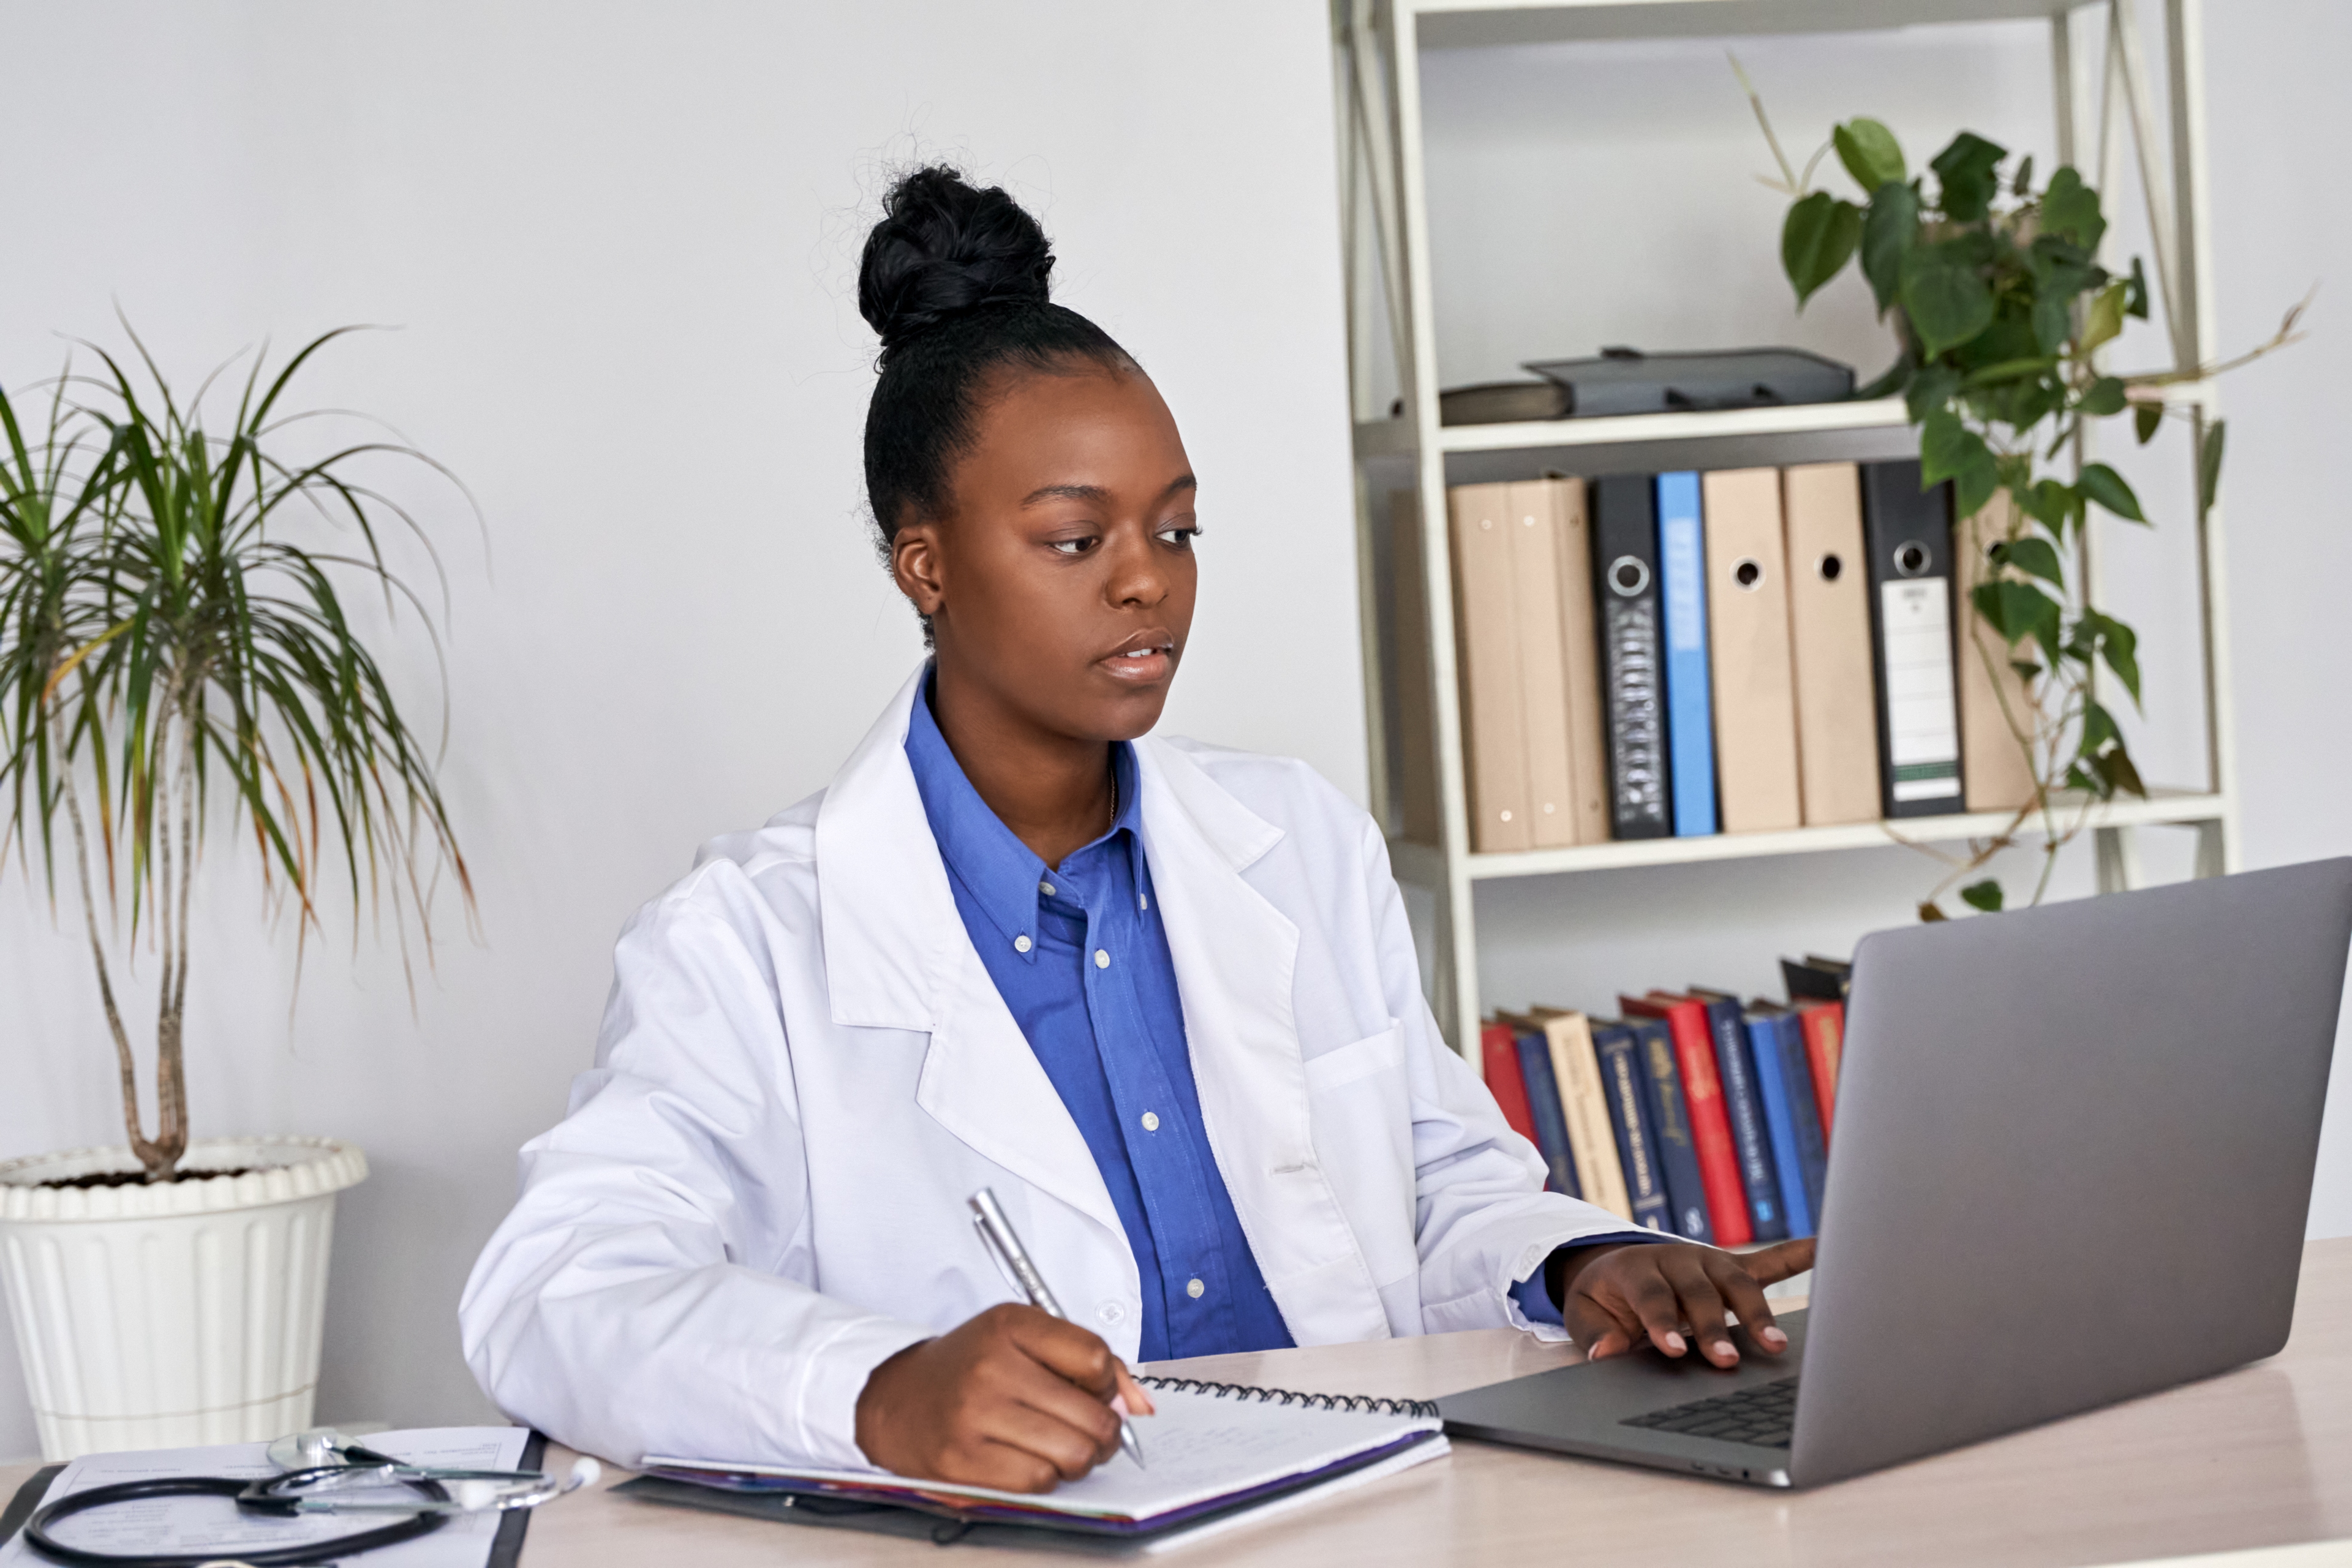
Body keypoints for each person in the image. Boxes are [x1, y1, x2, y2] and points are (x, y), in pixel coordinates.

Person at [459, 166, 1813, 1493]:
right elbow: (558, 1289)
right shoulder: (743, 938)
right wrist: (877, 1390)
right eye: (1072, 539)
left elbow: (1438, 1180)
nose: (1145, 582)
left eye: (1178, 528)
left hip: (1366, 1511)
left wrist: (1582, 1261)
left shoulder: (1298, 839)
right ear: (922, 561)